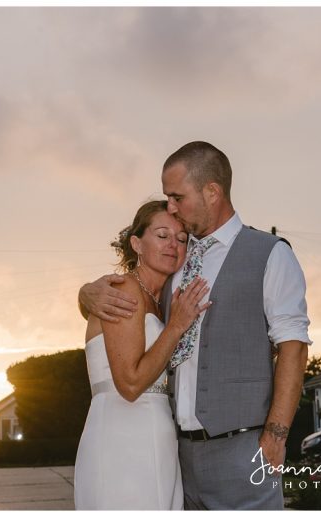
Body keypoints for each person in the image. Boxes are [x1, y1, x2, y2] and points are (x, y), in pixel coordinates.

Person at [79, 141, 311, 510]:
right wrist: (87, 294)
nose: (171, 207)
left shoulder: (270, 253)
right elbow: (134, 307)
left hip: (242, 448)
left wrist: (276, 434)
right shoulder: (177, 266)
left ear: (212, 192)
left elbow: (294, 346)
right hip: (178, 454)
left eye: (177, 196)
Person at [74, 200, 211, 510]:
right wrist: (176, 326)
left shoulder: (160, 298)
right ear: (137, 243)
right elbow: (131, 384)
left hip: (158, 435)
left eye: (181, 238)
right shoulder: (122, 291)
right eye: (162, 235)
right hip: (123, 437)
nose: (173, 245)